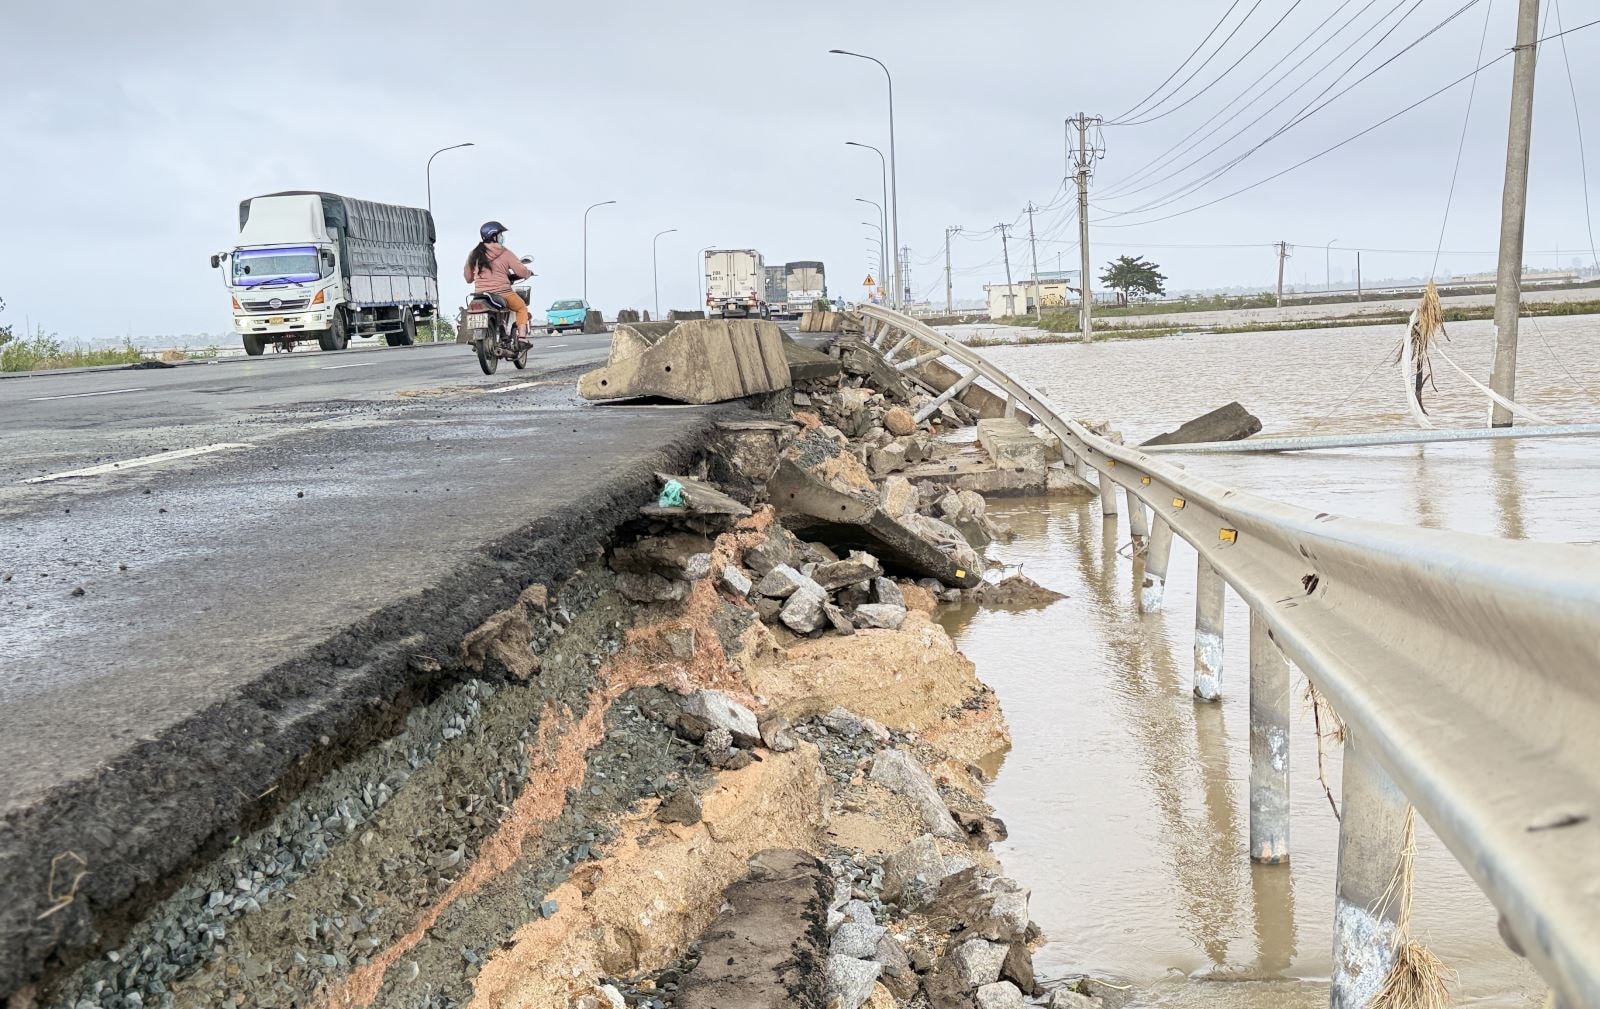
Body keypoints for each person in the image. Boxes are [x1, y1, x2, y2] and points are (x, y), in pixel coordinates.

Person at [463, 221, 533, 337]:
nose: (502, 237)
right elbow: (521, 271)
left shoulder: (473, 254)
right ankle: (522, 338)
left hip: (480, 295)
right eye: (500, 235)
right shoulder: (505, 252)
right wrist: (528, 273)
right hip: (502, 293)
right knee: (522, 308)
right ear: (494, 236)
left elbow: (468, 278)